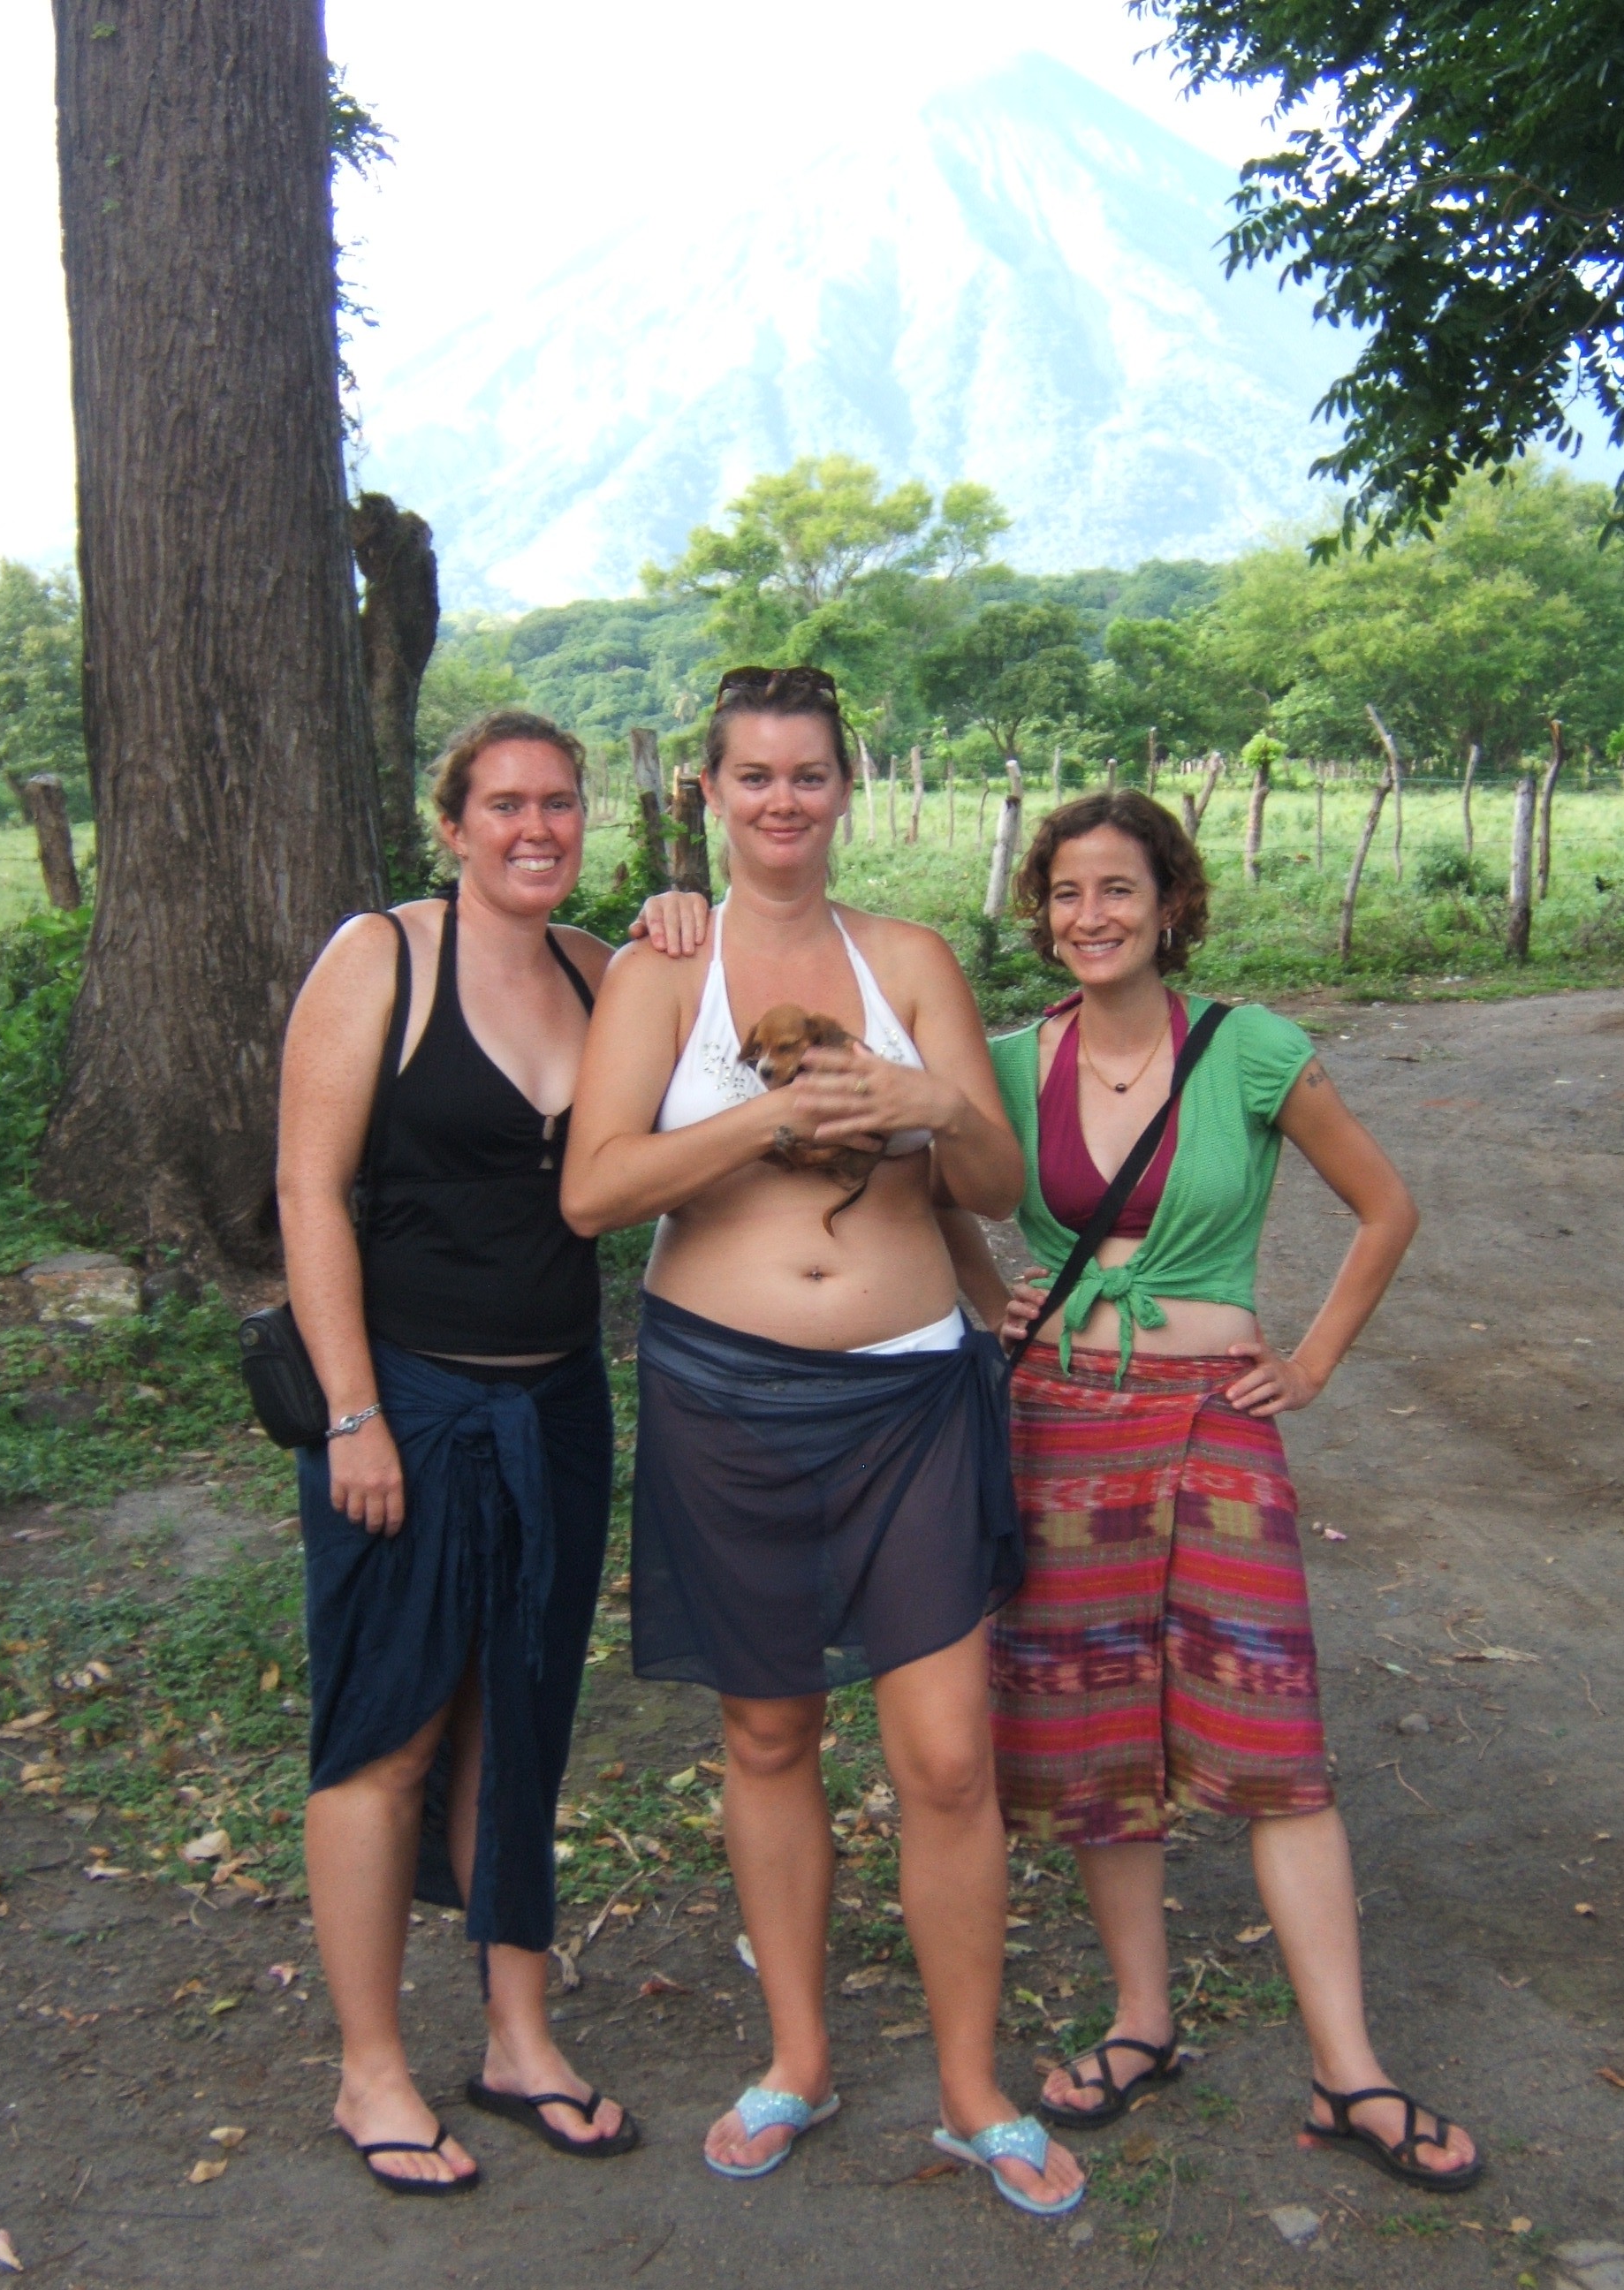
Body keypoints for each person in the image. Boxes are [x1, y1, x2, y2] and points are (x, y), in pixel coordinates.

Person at [560, 664, 1086, 2218]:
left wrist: (920, 1092)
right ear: (708, 796)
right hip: (727, 1395)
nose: (782, 801)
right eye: (754, 777)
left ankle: (972, 2089)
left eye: (809, 775)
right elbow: (595, 1193)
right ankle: (798, 2056)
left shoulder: (908, 956)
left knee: (943, 1755)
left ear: (845, 790)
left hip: (913, 1395)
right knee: (768, 1735)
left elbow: (993, 1182)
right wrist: (765, 1124)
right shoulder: (664, 971)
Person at [945, 789, 1481, 2194]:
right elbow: (937, 1179)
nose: (1089, 917)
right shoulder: (1007, 1064)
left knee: (1276, 1737)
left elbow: (1388, 1206)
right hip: (1059, 1425)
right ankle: (1144, 2023)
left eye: (1117, 890)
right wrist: (982, 1290)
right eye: (1065, 894)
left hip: (1214, 1419)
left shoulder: (1248, 1052)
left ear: (1171, 903)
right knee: (1092, 1739)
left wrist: (1307, 1361)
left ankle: (1347, 2070)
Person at [277, 709, 708, 2193]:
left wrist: (681, 928)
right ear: (450, 823)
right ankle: (371, 2069)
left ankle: (518, 2036)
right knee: (389, 1727)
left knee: (522, 1717)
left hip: (557, 1407)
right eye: (507, 804)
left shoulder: (605, 972)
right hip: (405, 1403)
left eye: (563, 805)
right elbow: (309, 1191)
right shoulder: (378, 962)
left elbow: (707, 1091)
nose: (539, 828)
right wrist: (352, 1413)